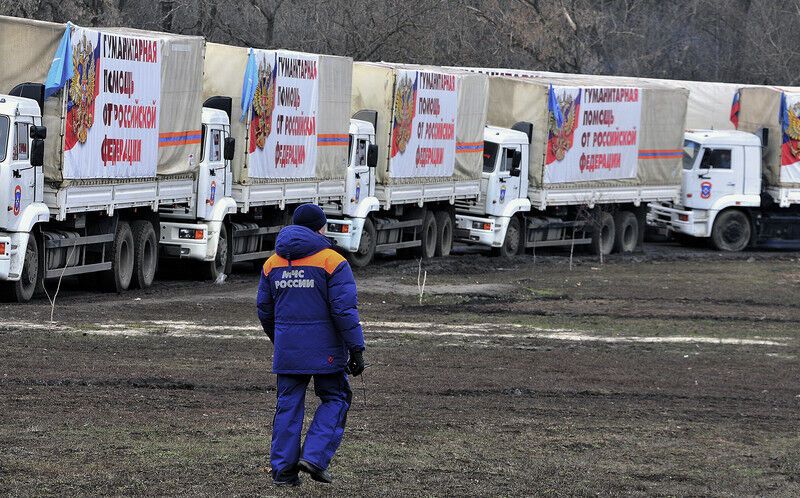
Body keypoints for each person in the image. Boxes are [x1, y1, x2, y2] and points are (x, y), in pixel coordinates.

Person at [257, 203, 366, 487]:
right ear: (320, 228)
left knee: (288, 406)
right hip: (326, 351)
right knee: (336, 398)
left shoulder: (272, 263)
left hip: (288, 351)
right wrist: (356, 349)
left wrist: (282, 340)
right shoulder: (333, 261)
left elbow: (265, 311)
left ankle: (284, 472)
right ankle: (314, 457)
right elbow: (344, 310)